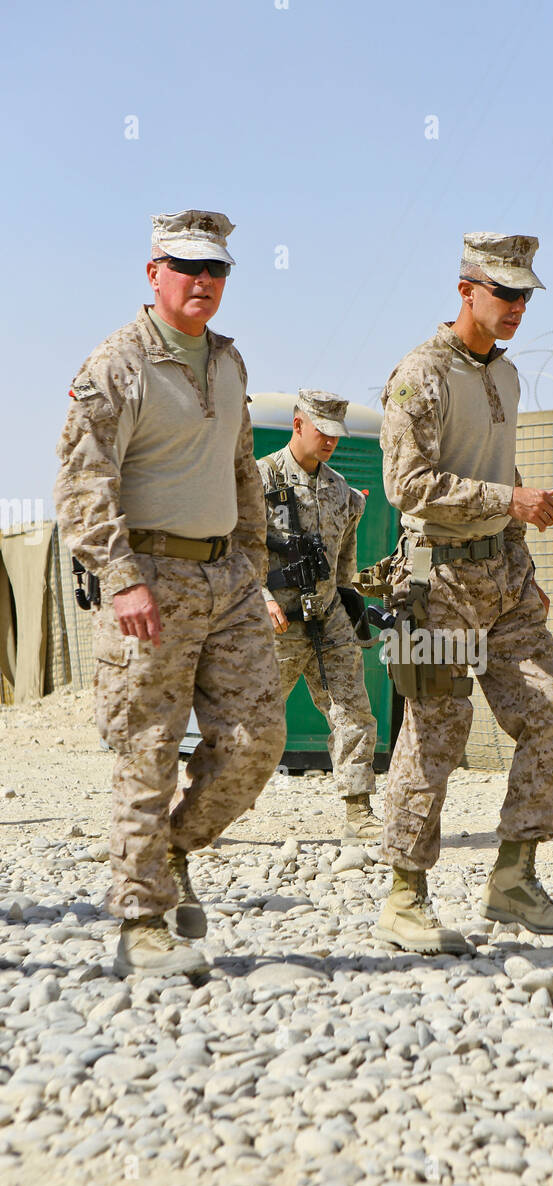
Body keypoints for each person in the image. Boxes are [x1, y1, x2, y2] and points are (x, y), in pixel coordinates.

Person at [54, 209, 286, 978]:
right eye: (187, 267)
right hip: (148, 580)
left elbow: (242, 466)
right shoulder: (118, 364)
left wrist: (251, 559)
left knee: (258, 740)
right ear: (154, 272)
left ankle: (175, 848)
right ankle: (141, 921)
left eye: (217, 270)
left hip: (226, 579)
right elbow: (84, 481)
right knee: (146, 749)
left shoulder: (228, 359)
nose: (204, 282)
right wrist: (120, 580)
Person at [374, 232, 553, 955]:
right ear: (466, 290)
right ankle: (404, 896)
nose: (517, 306)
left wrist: (523, 556)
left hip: (505, 578)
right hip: (436, 578)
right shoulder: (420, 374)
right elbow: (407, 485)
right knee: (436, 729)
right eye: (504, 293)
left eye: (526, 295)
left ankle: (514, 878)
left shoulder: (509, 375)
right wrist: (508, 497)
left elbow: (498, 469)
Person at [259, 389, 380, 842]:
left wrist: (350, 603)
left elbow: (345, 560)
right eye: (322, 432)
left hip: (327, 619)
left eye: (335, 434)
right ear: (298, 425)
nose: (330, 441)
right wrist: (261, 597)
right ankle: (212, 806)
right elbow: (239, 548)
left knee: (353, 712)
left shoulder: (343, 493)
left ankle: (358, 811)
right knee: (253, 718)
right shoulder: (261, 478)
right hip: (279, 620)